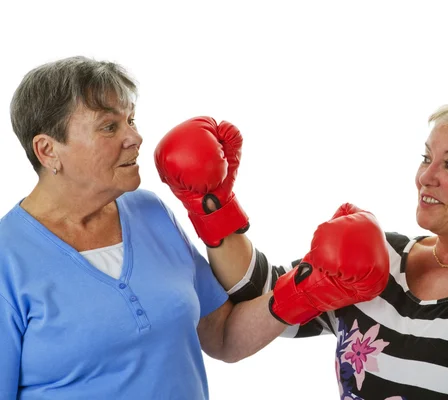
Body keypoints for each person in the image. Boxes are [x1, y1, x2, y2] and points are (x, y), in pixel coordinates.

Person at [0, 56, 388, 400]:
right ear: (48, 150)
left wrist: (308, 289)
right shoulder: (8, 259)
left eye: (130, 120)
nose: (135, 137)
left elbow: (223, 336)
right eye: (108, 126)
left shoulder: (149, 212)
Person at [156, 99, 448, 399]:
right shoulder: (384, 259)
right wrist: (212, 206)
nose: (427, 176)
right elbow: (262, 298)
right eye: (426, 158)